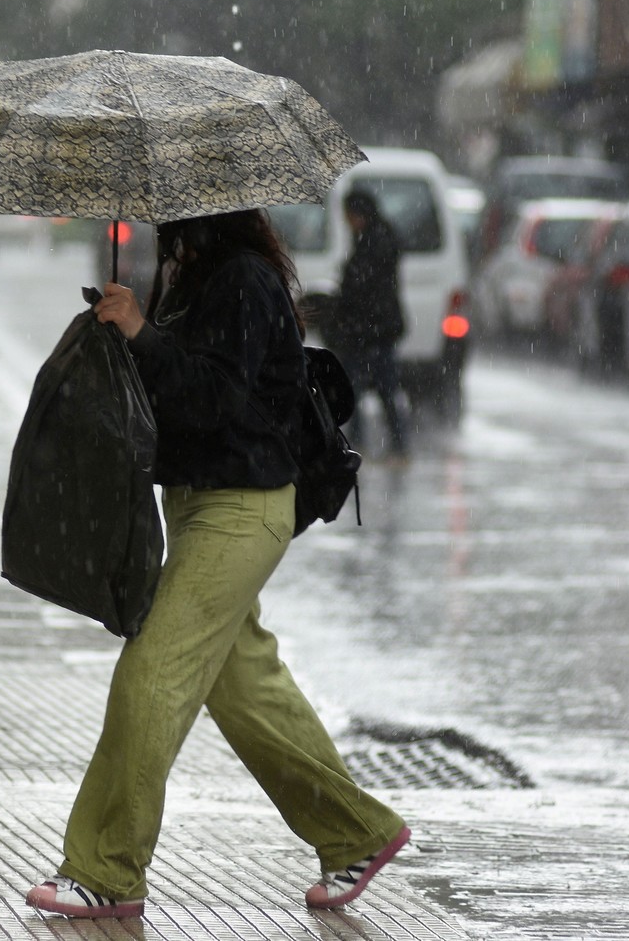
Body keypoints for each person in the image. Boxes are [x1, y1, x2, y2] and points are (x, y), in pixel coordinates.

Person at [25, 209, 410, 918]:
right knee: (248, 691)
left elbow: (216, 399)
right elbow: (176, 394)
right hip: (203, 504)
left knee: (150, 677)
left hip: (240, 510)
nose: (156, 217)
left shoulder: (241, 281)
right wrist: (128, 332)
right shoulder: (198, 277)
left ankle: (106, 870)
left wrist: (142, 333)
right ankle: (356, 832)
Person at [332, 189, 409, 459]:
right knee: (374, 389)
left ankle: (374, 444)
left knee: (371, 388)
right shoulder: (377, 238)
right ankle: (381, 443)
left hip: (370, 330)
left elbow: (364, 286)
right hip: (372, 329)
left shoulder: (374, 242)